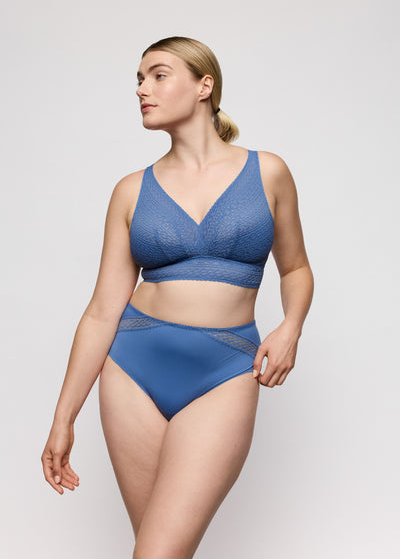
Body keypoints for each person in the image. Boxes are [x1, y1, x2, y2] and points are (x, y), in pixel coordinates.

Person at [41, 35, 314, 558]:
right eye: (139, 79)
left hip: (225, 370)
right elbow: (101, 311)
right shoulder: (130, 190)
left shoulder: (268, 171)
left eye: (158, 75)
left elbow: (296, 268)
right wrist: (63, 418)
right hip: (132, 370)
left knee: (158, 552)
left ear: (203, 86)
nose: (142, 89)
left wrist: (291, 327)